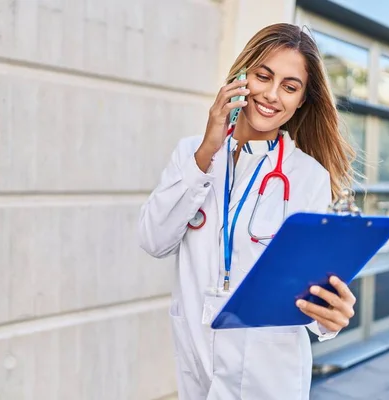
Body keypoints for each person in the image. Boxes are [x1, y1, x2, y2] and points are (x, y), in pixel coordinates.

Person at [139, 23, 357, 400]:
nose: (272, 95)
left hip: (269, 377)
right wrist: (207, 149)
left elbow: (315, 286)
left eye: (290, 87)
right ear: (241, 76)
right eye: (263, 76)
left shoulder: (307, 177)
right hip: (197, 370)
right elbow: (154, 240)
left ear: (302, 100)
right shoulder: (192, 154)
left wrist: (331, 317)